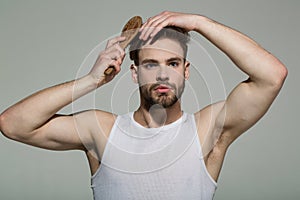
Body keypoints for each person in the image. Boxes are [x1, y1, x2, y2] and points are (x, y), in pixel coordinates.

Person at [0, 11, 287, 200]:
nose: (163, 74)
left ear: (185, 70)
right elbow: (13, 124)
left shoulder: (207, 129)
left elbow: (272, 75)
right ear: (135, 72)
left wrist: (200, 23)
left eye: (172, 63)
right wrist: (90, 81)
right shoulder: (102, 130)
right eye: (151, 64)